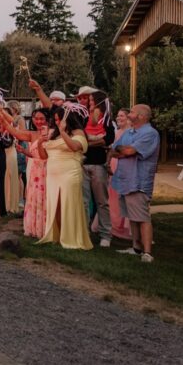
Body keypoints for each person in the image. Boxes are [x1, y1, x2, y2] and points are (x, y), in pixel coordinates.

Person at [110, 104, 160, 263]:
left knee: (143, 217)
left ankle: (147, 252)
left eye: (131, 111)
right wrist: (123, 150)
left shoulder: (150, 133)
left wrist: (125, 150)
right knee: (132, 216)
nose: (129, 113)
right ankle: (136, 247)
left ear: (141, 116)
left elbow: (129, 151)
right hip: (125, 180)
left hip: (138, 181)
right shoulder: (129, 132)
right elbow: (114, 151)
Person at [37, 107, 93, 250]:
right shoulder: (54, 134)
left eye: (59, 119)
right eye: (55, 120)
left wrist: (62, 132)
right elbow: (44, 156)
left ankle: (71, 236)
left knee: (68, 204)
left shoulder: (78, 132)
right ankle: (58, 235)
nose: (56, 122)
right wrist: (39, 142)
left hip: (69, 172)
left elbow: (75, 147)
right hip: (52, 174)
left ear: (67, 119)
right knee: (55, 205)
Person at [77, 87, 115, 247]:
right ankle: (84, 232)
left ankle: (106, 234)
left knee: (101, 201)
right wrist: (96, 142)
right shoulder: (85, 118)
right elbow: (81, 138)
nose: (89, 103)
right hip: (84, 163)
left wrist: (90, 143)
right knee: (84, 201)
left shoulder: (106, 120)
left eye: (92, 101)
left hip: (99, 164)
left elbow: (109, 139)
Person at [4, 107, 49, 238]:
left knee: (44, 197)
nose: (38, 121)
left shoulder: (52, 134)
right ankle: (34, 227)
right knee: (33, 196)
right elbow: (16, 133)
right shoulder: (33, 134)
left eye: (42, 119)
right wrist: (2, 120)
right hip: (34, 169)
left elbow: (45, 155)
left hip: (47, 169)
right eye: (36, 119)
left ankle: (44, 228)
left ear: (48, 119)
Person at [106, 108, 133, 242]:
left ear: (128, 118)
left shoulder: (131, 133)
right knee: (112, 195)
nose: (118, 118)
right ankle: (114, 224)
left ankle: (125, 227)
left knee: (123, 195)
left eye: (122, 116)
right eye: (117, 116)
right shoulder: (116, 132)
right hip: (113, 164)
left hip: (125, 165)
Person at [3, 101, 24, 215]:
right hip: (1, 153)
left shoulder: (14, 125)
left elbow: (20, 135)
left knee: (13, 177)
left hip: (11, 151)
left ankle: (12, 203)